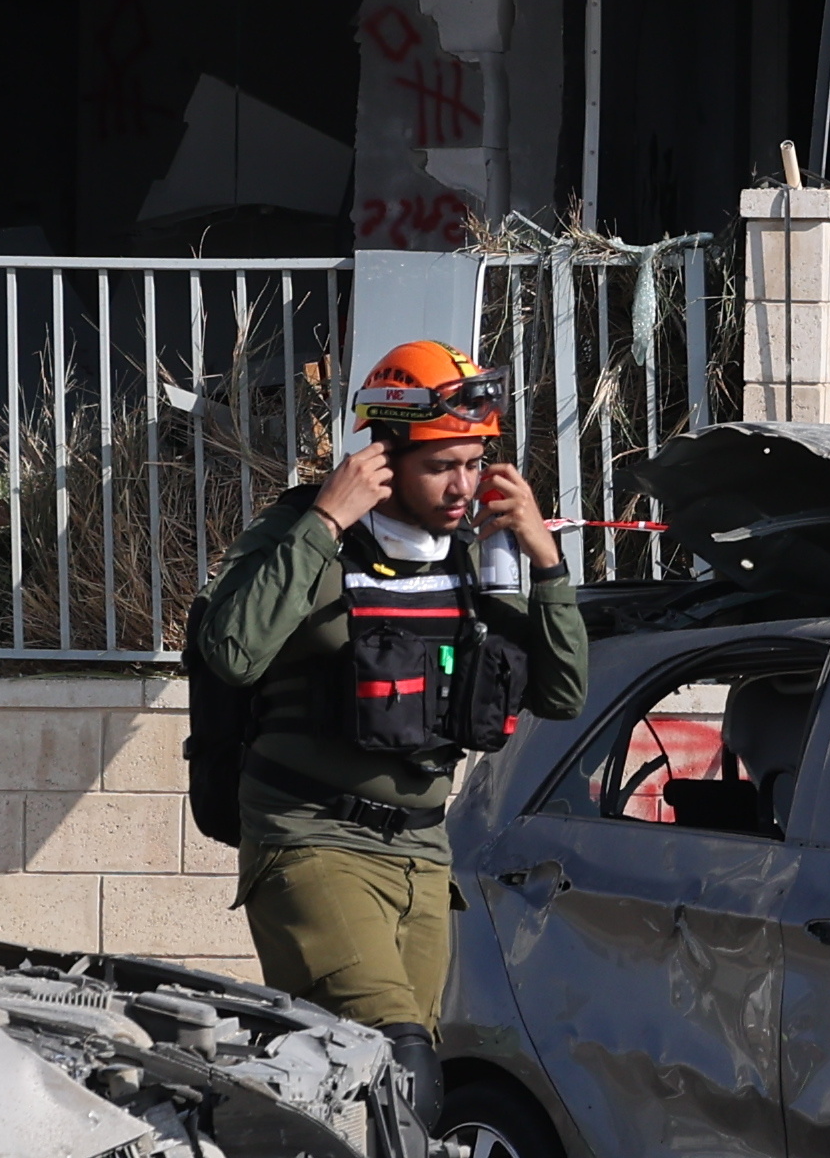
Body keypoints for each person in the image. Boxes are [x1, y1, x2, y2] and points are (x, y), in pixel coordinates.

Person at [189, 337, 589, 1091]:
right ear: (385, 455)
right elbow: (231, 653)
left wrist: (545, 561)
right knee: (397, 1064)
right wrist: (325, 522)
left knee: (373, 1086)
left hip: (425, 859)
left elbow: (561, 695)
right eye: (441, 465)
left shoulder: (472, 555)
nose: (462, 485)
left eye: (474, 463)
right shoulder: (303, 534)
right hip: (313, 843)